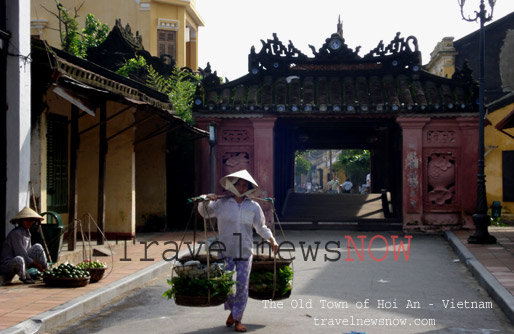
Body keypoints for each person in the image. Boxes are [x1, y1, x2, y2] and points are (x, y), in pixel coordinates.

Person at [198, 170, 279, 333]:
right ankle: (232, 310)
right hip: (226, 250)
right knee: (226, 286)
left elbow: (260, 227)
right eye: (238, 184)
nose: (241, 187)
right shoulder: (221, 204)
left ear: (248, 188)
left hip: (245, 251)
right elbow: (205, 213)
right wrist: (206, 199)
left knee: (242, 286)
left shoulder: (253, 206)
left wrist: (272, 240)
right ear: (232, 185)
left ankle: (237, 319)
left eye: (244, 185)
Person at [0, 207, 48, 284]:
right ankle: (24, 277)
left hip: (23, 261)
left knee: (38, 247)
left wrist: (40, 265)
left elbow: (28, 252)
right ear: (21, 221)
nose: (29, 222)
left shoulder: (28, 233)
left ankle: (47, 271)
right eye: (26, 220)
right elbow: (22, 255)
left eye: (31, 220)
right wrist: (36, 265)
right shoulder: (16, 234)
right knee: (19, 259)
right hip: (8, 265)